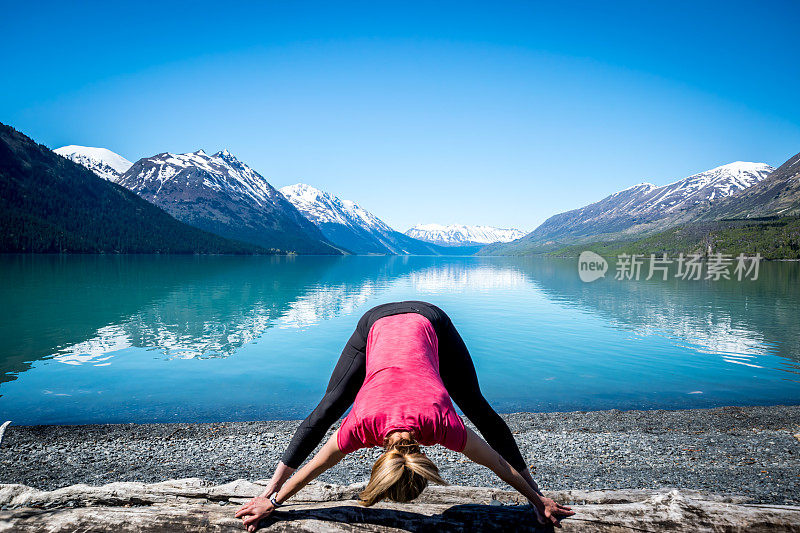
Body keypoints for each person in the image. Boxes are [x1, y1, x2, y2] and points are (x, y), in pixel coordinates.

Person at [236, 301, 575, 531]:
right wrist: (270, 499)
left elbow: (498, 464)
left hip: (429, 322)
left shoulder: (435, 425)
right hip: (379, 322)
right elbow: (497, 463)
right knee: (327, 409)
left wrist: (537, 498)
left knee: (476, 406)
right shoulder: (373, 427)